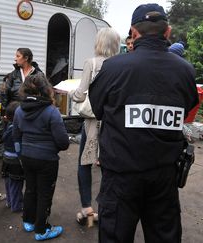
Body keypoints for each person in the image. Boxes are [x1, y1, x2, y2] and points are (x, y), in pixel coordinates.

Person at [89, 4, 199, 242]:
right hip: (164, 178)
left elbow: (98, 110)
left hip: (121, 177)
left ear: (133, 32)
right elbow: (188, 110)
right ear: (167, 32)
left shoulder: (113, 68)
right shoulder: (185, 71)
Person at [69, 27, 120, 226]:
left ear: (98, 43)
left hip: (91, 121)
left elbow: (81, 94)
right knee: (108, 166)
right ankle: (107, 208)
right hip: (114, 122)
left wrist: (72, 92)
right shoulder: (120, 64)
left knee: (85, 164)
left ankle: (87, 208)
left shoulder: (91, 63)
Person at [13, 73, 69, 241]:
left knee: (30, 189)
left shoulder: (18, 110)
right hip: (46, 160)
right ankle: (41, 230)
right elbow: (63, 143)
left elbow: (16, 135)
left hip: (26, 157)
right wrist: (52, 148)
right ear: (46, 89)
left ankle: (28, 221)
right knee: (44, 193)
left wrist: (20, 154)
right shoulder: (51, 112)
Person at [1, 101, 24, 212]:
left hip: (6, 158)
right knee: (16, 184)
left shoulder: (7, 125)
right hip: (15, 160)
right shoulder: (17, 128)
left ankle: (9, 202)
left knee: (8, 182)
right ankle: (16, 206)